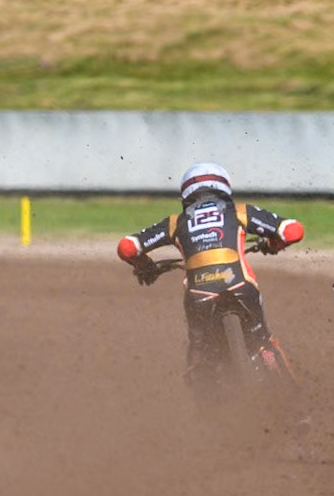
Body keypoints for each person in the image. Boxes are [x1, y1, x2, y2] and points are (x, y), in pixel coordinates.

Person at [117, 162, 304, 387]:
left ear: (185, 194)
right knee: (263, 341)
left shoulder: (175, 223)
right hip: (240, 285)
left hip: (198, 294)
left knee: (199, 349)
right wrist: (273, 245)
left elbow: (127, 247)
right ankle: (300, 413)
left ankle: (207, 407)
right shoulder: (241, 212)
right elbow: (293, 231)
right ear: (224, 188)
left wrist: (145, 266)